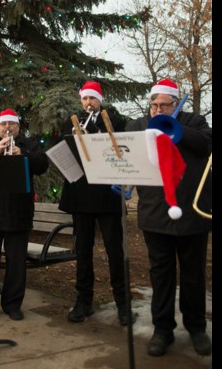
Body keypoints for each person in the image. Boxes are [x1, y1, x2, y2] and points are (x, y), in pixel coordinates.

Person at [125, 79, 213, 357]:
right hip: (154, 213)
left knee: (193, 275)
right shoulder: (138, 125)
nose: (158, 109)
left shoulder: (195, 121)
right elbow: (127, 154)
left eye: (164, 105)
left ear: (176, 104)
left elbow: (206, 144)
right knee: (160, 275)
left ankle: (196, 327)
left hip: (191, 214)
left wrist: (175, 128)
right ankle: (162, 329)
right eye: (154, 105)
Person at [57, 81, 137, 327]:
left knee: (115, 250)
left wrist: (100, 129)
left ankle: (123, 305)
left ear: (99, 100)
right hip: (81, 193)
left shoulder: (113, 120)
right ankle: (84, 301)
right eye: (84, 99)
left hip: (107, 194)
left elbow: (123, 146)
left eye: (92, 99)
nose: (88, 103)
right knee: (83, 250)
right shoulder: (74, 122)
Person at [0, 109, 49, 322]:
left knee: (16, 263)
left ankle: (12, 304)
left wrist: (22, 156)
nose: (7, 127)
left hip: (19, 213)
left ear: (18, 126)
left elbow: (42, 164)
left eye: (11, 124)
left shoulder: (29, 145)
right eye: (3, 124)